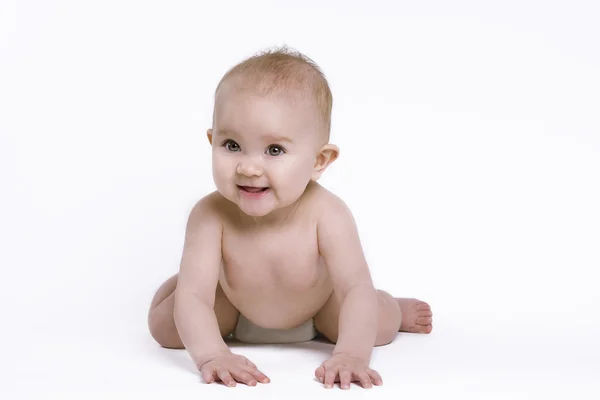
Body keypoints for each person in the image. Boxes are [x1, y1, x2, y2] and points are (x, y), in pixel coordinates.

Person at [147, 46, 433, 390]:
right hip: (236, 304)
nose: (248, 167)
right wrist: (212, 355)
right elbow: (194, 298)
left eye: (275, 150)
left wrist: (351, 355)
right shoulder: (210, 215)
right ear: (212, 140)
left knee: (375, 321)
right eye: (232, 145)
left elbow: (354, 287)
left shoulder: (328, 213)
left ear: (319, 161)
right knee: (166, 327)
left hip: (318, 305)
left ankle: (395, 308)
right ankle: (185, 278)